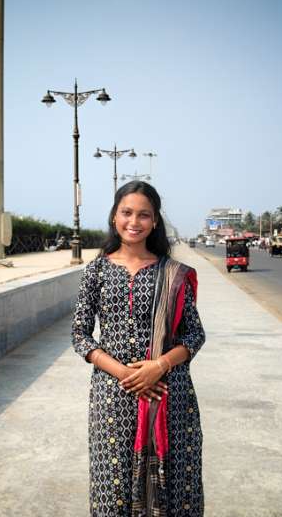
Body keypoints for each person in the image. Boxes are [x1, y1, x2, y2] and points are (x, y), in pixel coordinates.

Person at [72, 181, 205, 516]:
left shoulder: (172, 272)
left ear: (155, 220)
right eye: (126, 212)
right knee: (114, 487)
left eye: (144, 215)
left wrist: (158, 366)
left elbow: (194, 334)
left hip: (168, 392)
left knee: (173, 486)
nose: (134, 221)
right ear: (114, 217)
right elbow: (80, 335)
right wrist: (125, 374)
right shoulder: (96, 271)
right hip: (112, 397)